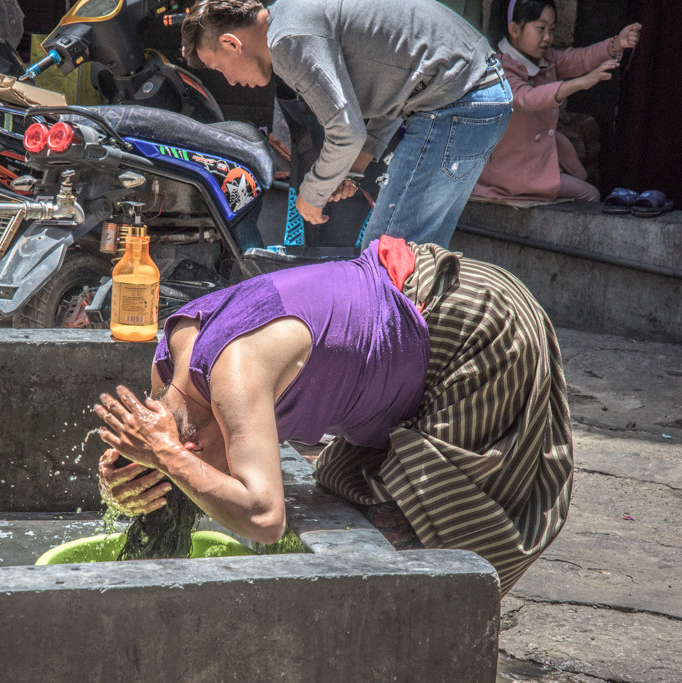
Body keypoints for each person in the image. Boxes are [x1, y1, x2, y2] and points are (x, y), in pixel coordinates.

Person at [94, 236, 573, 595]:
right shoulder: (169, 369)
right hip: (409, 301)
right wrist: (130, 476)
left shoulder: (235, 377)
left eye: (199, 464)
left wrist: (168, 459)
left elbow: (265, 517)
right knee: (347, 478)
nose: (220, 473)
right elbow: (160, 444)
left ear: (193, 446)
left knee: (436, 520)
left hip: (473, 323)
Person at [179, 0, 512, 250]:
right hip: (470, 93)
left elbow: (346, 132)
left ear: (231, 44)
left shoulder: (287, 40)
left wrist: (312, 193)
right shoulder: (292, 16)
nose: (231, 82)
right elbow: (395, 94)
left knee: (385, 259)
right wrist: (352, 169)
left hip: (458, 99)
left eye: (219, 68)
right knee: (410, 258)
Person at [473, 1, 642, 203]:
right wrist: (582, 82)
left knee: (588, 191)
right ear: (514, 29)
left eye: (552, 30)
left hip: (534, 164)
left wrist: (616, 44)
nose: (547, 37)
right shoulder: (500, 67)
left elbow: (580, 58)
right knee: (590, 195)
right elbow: (527, 98)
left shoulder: (546, 59)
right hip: (510, 171)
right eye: (541, 28)